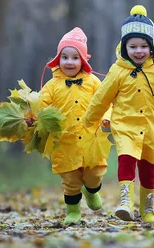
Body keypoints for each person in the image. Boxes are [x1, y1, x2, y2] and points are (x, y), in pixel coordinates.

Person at [82, 5, 154, 223]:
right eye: (133, 46)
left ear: (152, 47)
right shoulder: (117, 71)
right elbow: (102, 96)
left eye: (143, 46)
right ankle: (126, 203)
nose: (138, 51)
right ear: (124, 47)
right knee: (126, 160)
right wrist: (90, 119)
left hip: (152, 127)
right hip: (125, 125)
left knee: (149, 170)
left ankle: (148, 209)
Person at [37, 27, 111, 226]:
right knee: (70, 181)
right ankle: (73, 211)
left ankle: (92, 190)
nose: (69, 62)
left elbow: (105, 102)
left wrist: (106, 118)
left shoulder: (94, 82)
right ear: (58, 59)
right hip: (65, 141)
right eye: (65, 57)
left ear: (83, 61)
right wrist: (33, 118)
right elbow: (40, 107)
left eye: (75, 58)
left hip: (91, 140)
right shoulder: (52, 86)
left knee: (94, 174)